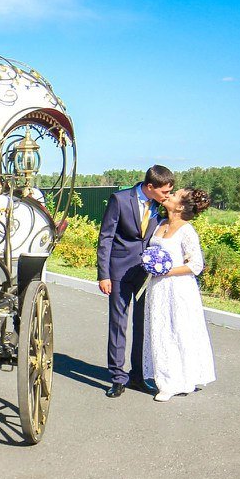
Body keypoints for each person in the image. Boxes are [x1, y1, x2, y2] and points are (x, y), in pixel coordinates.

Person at [97, 165, 174, 398]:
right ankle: (118, 378)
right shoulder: (119, 200)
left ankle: (138, 376)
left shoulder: (159, 206)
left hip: (145, 274)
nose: (168, 196)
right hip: (118, 272)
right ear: (150, 187)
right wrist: (104, 274)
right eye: (165, 192)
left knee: (142, 325)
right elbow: (106, 237)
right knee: (118, 324)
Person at [143, 187, 216, 401]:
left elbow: (196, 265)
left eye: (175, 195)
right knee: (161, 330)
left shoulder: (186, 230)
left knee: (180, 330)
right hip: (158, 287)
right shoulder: (161, 224)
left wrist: (165, 270)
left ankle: (176, 381)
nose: (170, 195)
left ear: (181, 206)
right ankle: (166, 377)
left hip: (179, 287)